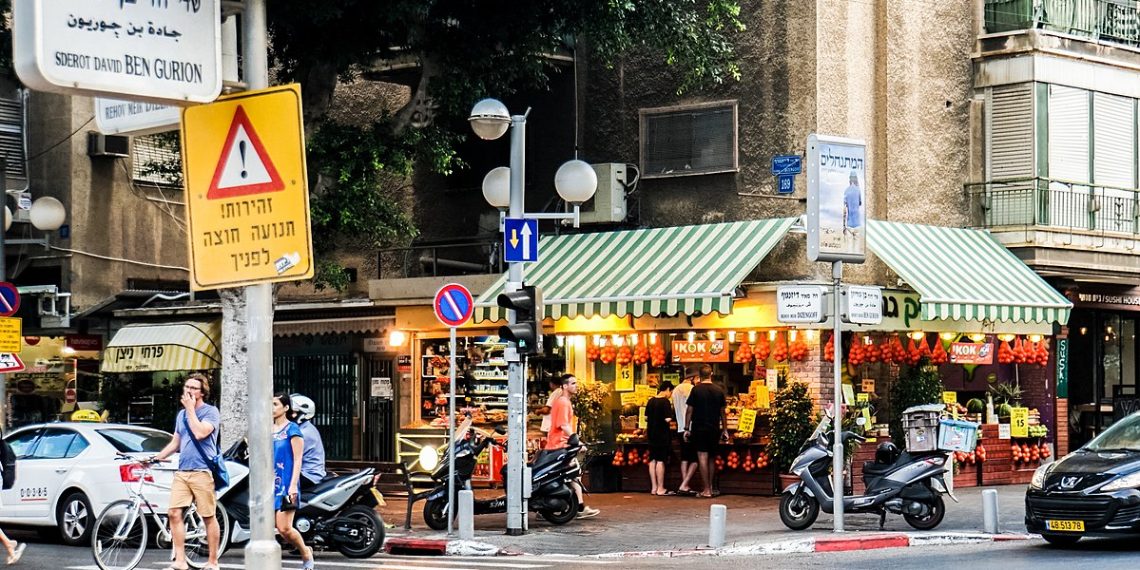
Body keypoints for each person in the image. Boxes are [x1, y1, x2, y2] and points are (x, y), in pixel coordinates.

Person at [151, 372, 221, 570]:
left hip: (202, 471)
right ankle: (180, 560)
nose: (189, 391)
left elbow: (199, 433)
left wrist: (190, 409)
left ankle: (213, 561)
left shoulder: (210, 412)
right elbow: (176, 441)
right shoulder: (181, 415)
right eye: (187, 387)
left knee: (208, 516)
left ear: (202, 392)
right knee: (174, 513)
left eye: (194, 388)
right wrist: (157, 456)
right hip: (183, 470)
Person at [543, 374, 600, 519]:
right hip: (560, 444)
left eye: (576, 383)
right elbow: (563, 425)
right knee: (574, 473)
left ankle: (578, 507)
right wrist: (577, 441)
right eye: (573, 383)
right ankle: (580, 508)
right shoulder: (563, 402)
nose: (576, 386)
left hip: (559, 443)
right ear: (564, 386)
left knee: (572, 474)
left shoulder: (562, 401)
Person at [272, 394, 314, 570]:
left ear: (286, 408)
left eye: (275, 404)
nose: (271, 408)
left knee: (284, 528)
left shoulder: (293, 430)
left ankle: (305, 552)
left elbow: (298, 460)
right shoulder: (267, 429)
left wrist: (292, 486)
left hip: (287, 483)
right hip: (269, 484)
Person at [684, 365, 727, 498]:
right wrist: (725, 429)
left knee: (702, 457)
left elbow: (689, 410)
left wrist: (686, 428)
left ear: (700, 375)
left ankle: (706, 489)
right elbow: (723, 413)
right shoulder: (719, 390)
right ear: (711, 374)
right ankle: (712, 487)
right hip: (714, 428)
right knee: (711, 458)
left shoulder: (696, 390)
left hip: (699, 427)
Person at [289, 394, 327, 490]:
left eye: (292, 412)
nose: (288, 415)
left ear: (302, 414)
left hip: (308, 475)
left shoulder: (303, 433)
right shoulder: (303, 427)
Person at [645, 382, 674, 496]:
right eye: (670, 391)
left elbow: (646, 418)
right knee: (661, 460)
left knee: (652, 460)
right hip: (662, 434)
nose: (670, 394)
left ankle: (653, 487)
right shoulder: (665, 402)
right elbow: (667, 419)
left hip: (651, 433)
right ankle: (661, 488)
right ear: (667, 389)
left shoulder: (651, 401)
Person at [672, 370, 698, 495]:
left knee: (684, 457)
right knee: (695, 458)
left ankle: (685, 484)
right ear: (692, 378)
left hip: (680, 427)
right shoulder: (692, 389)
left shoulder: (675, 390)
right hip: (690, 427)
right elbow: (692, 408)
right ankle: (684, 484)